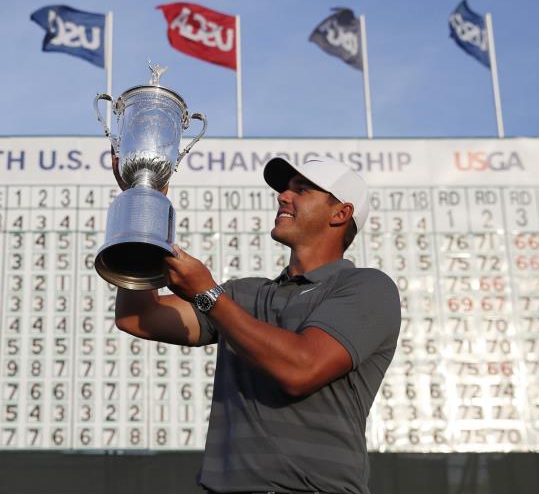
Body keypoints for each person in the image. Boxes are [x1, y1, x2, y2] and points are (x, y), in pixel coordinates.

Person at [112, 154, 401, 494]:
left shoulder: (367, 287)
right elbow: (139, 317)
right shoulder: (243, 294)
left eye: (303, 190)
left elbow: (301, 369)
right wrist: (144, 204)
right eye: (285, 189)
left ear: (340, 214)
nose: (283, 196)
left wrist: (208, 294)